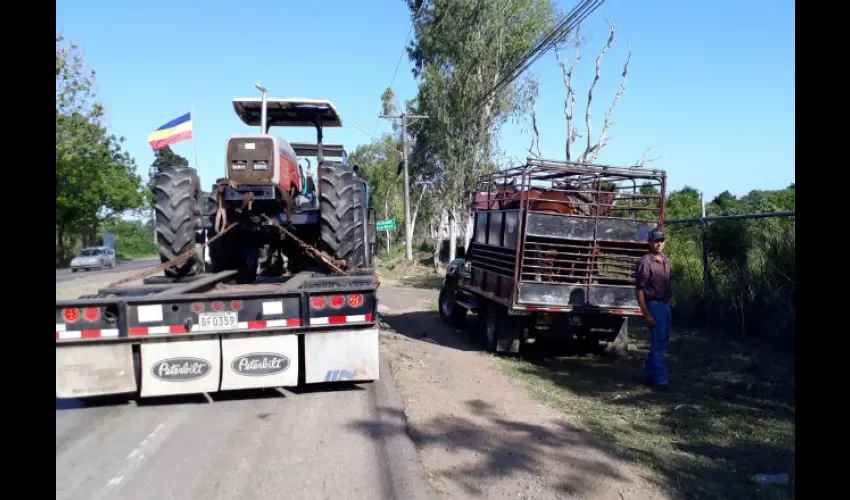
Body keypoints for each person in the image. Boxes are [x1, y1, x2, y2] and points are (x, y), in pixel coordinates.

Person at [635, 227, 675, 391]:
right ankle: (661, 381)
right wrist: (646, 313)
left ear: (664, 242)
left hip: (665, 305)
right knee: (659, 344)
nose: (659, 244)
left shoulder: (666, 260)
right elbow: (639, 289)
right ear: (650, 242)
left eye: (661, 241)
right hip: (654, 305)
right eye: (655, 241)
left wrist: (671, 297)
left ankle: (649, 375)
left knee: (662, 341)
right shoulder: (646, 262)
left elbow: (667, 283)